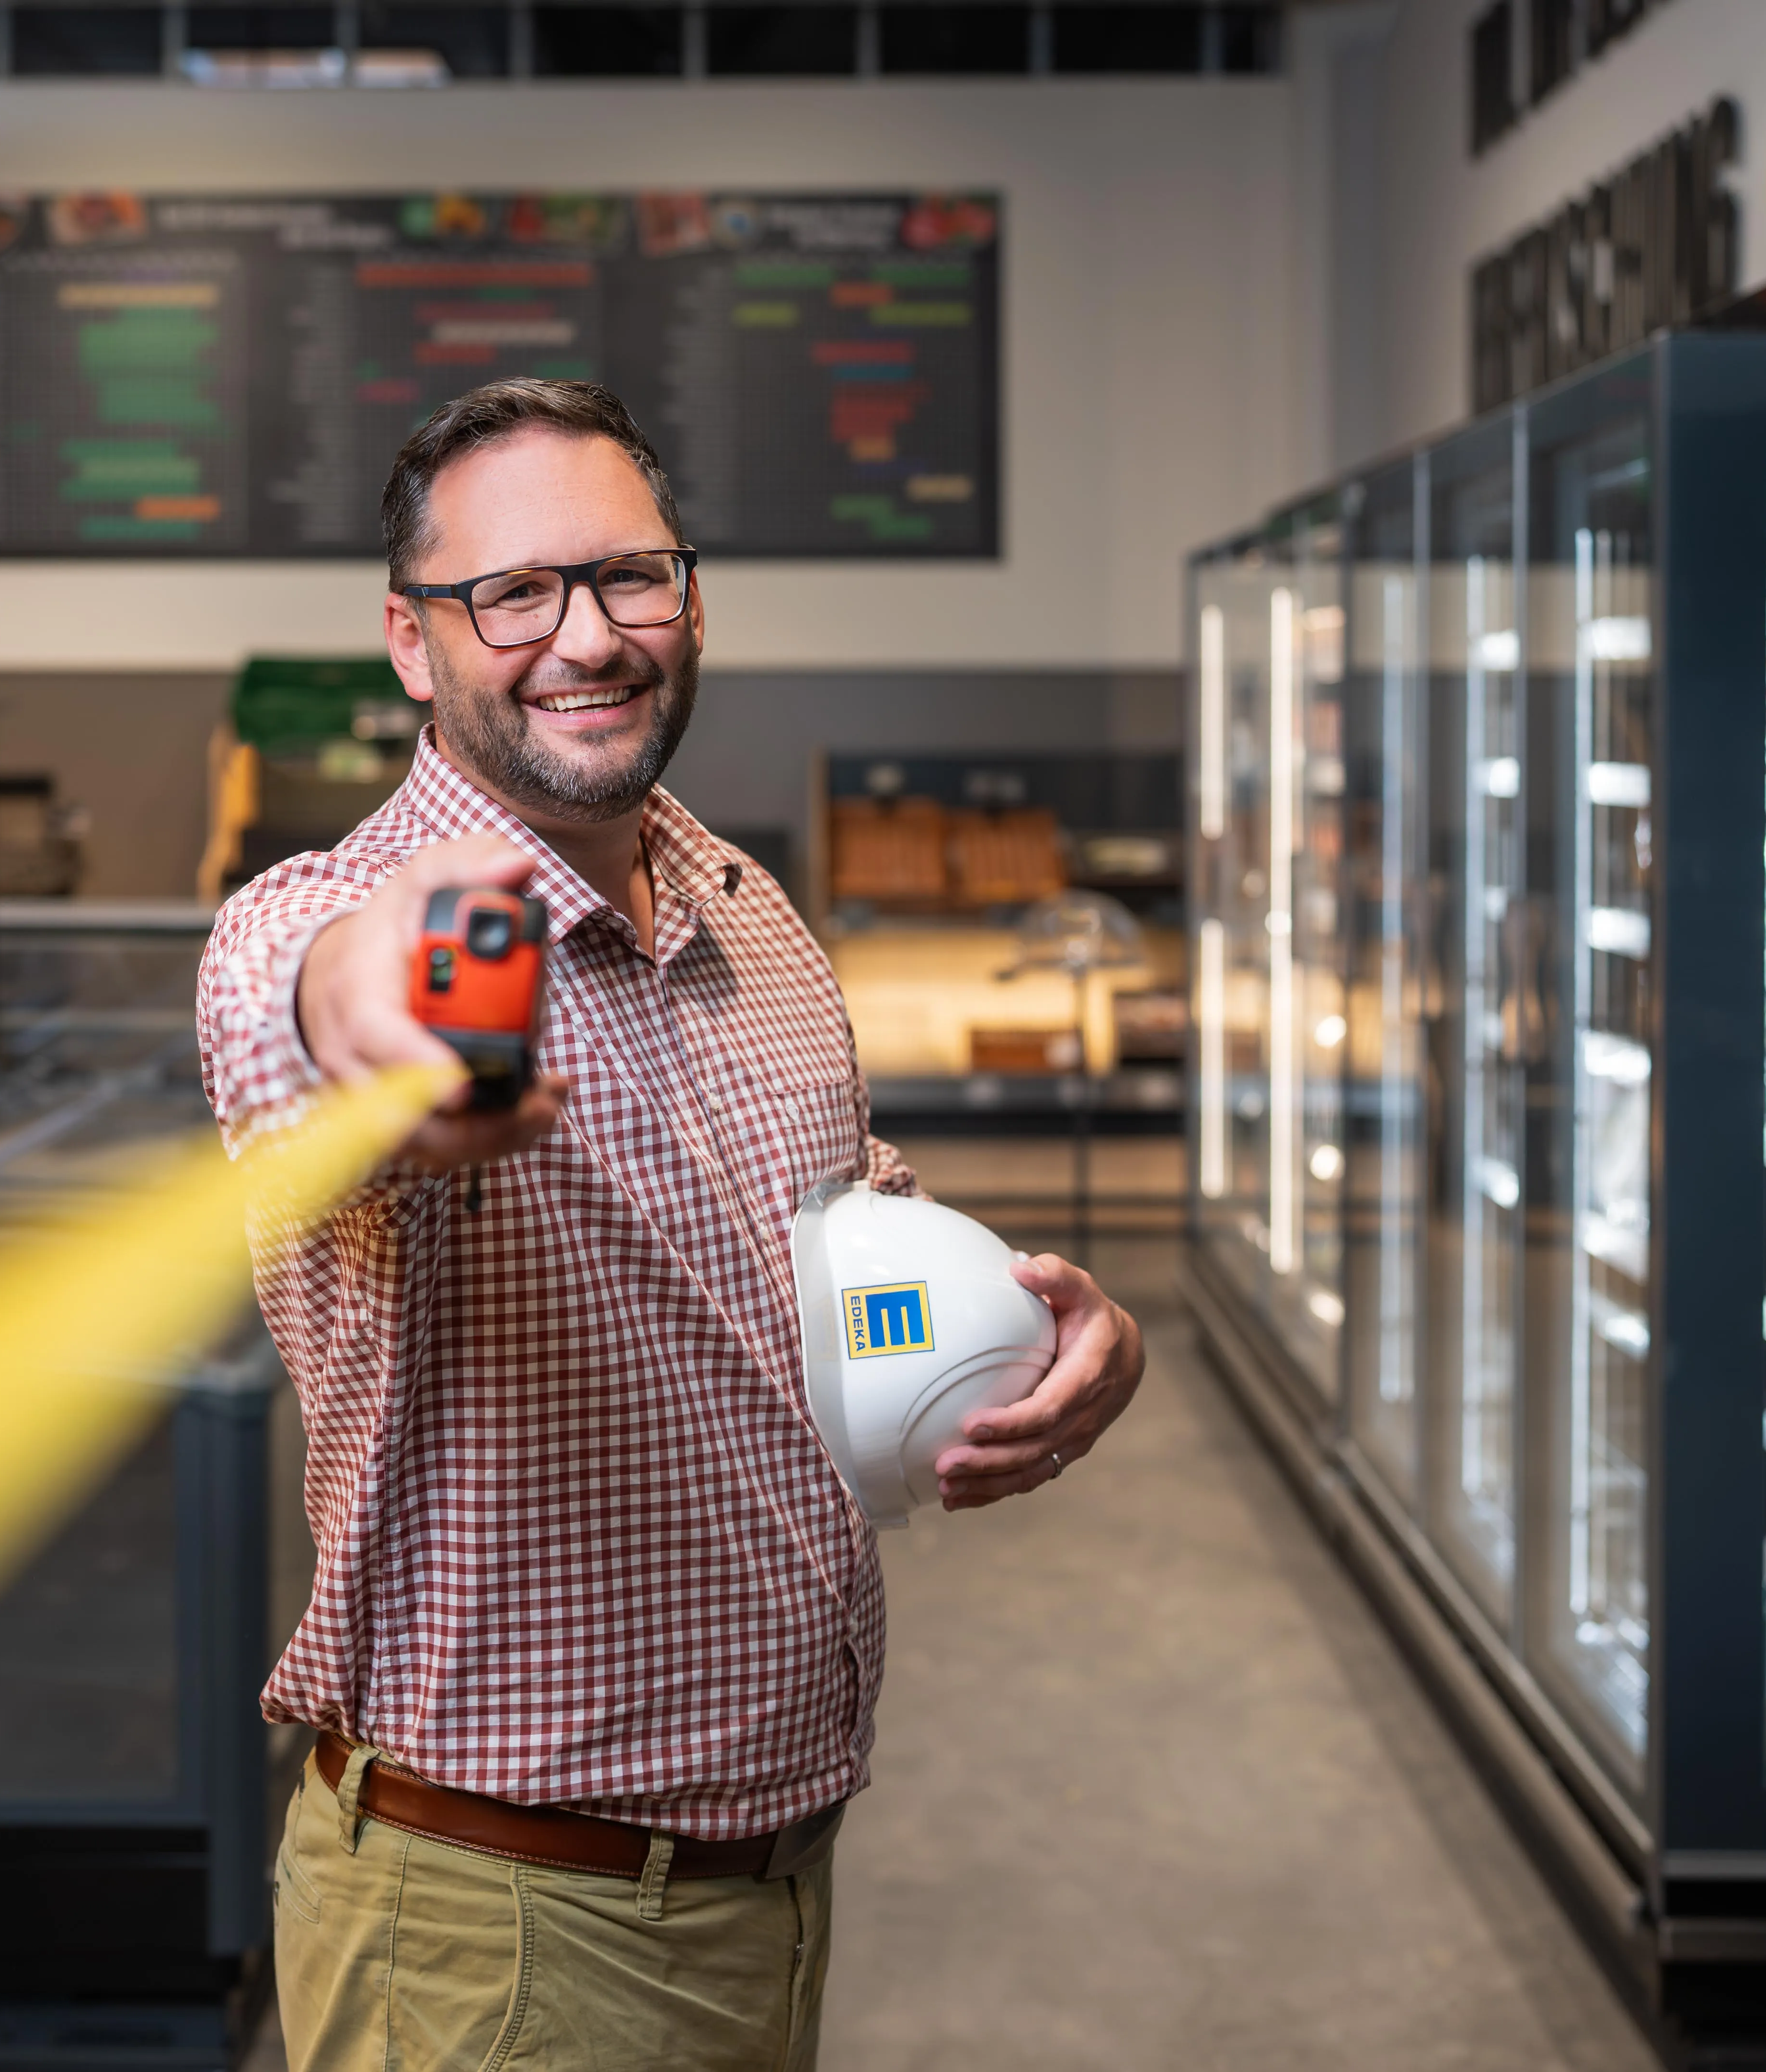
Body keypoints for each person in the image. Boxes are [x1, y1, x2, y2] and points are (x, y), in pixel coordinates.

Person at [195, 377, 1147, 2070]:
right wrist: (382, 1028)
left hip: (763, 1887)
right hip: (495, 1932)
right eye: (512, 593)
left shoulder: (745, 907)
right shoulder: (322, 917)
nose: (587, 637)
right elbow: (309, 1010)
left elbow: (842, 1231)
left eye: (628, 575)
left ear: (689, 599)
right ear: (413, 642)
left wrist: (1046, 1330)